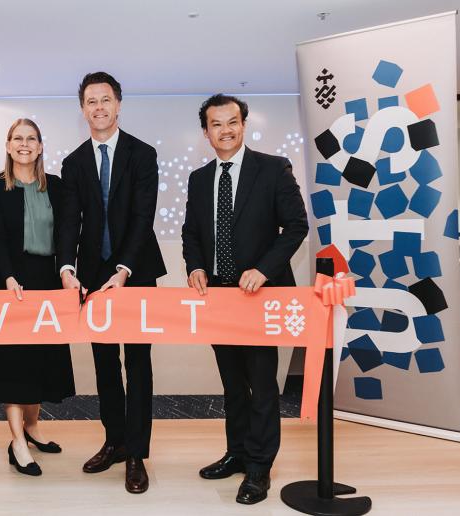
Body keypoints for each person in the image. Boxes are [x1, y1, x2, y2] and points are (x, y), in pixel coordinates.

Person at [181, 94, 308, 504]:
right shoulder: (200, 179)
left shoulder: (272, 169)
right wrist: (195, 266)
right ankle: (236, 453)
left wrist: (265, 269)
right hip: (217, 295)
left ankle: (258, 468)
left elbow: (296, 226)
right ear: (206, 132)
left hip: (259, 297)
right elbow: (191, 234)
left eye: (232, 121)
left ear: (244, 123)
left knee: (261, 383)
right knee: (232, 383)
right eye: (216, 124)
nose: (225, 130)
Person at [58, 72, 166, 494]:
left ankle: (137, 452)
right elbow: (70, 222)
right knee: (104, 365)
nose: (99, 107)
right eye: (91, 101)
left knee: (137, 364)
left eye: (106, 100)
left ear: (119, 104)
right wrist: (67, 267)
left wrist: (124, 269)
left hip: (135, 273)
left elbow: (144, 218)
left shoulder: (143, 154)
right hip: (91, 276)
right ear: (83, 108)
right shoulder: (74, 162)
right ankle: (115, 441)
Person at [0, 118, 76, 476]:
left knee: (40, 362)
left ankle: (32, 429)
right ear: (8, 145)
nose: (24, 144)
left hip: (47, 279)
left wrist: (67, 270)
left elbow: (67, 234)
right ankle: (17, 441)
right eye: (17, 138)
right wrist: (8, 277)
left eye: (31, 138)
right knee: (13, 363)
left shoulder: (58, 187)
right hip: (10, 281)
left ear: (40, 146)